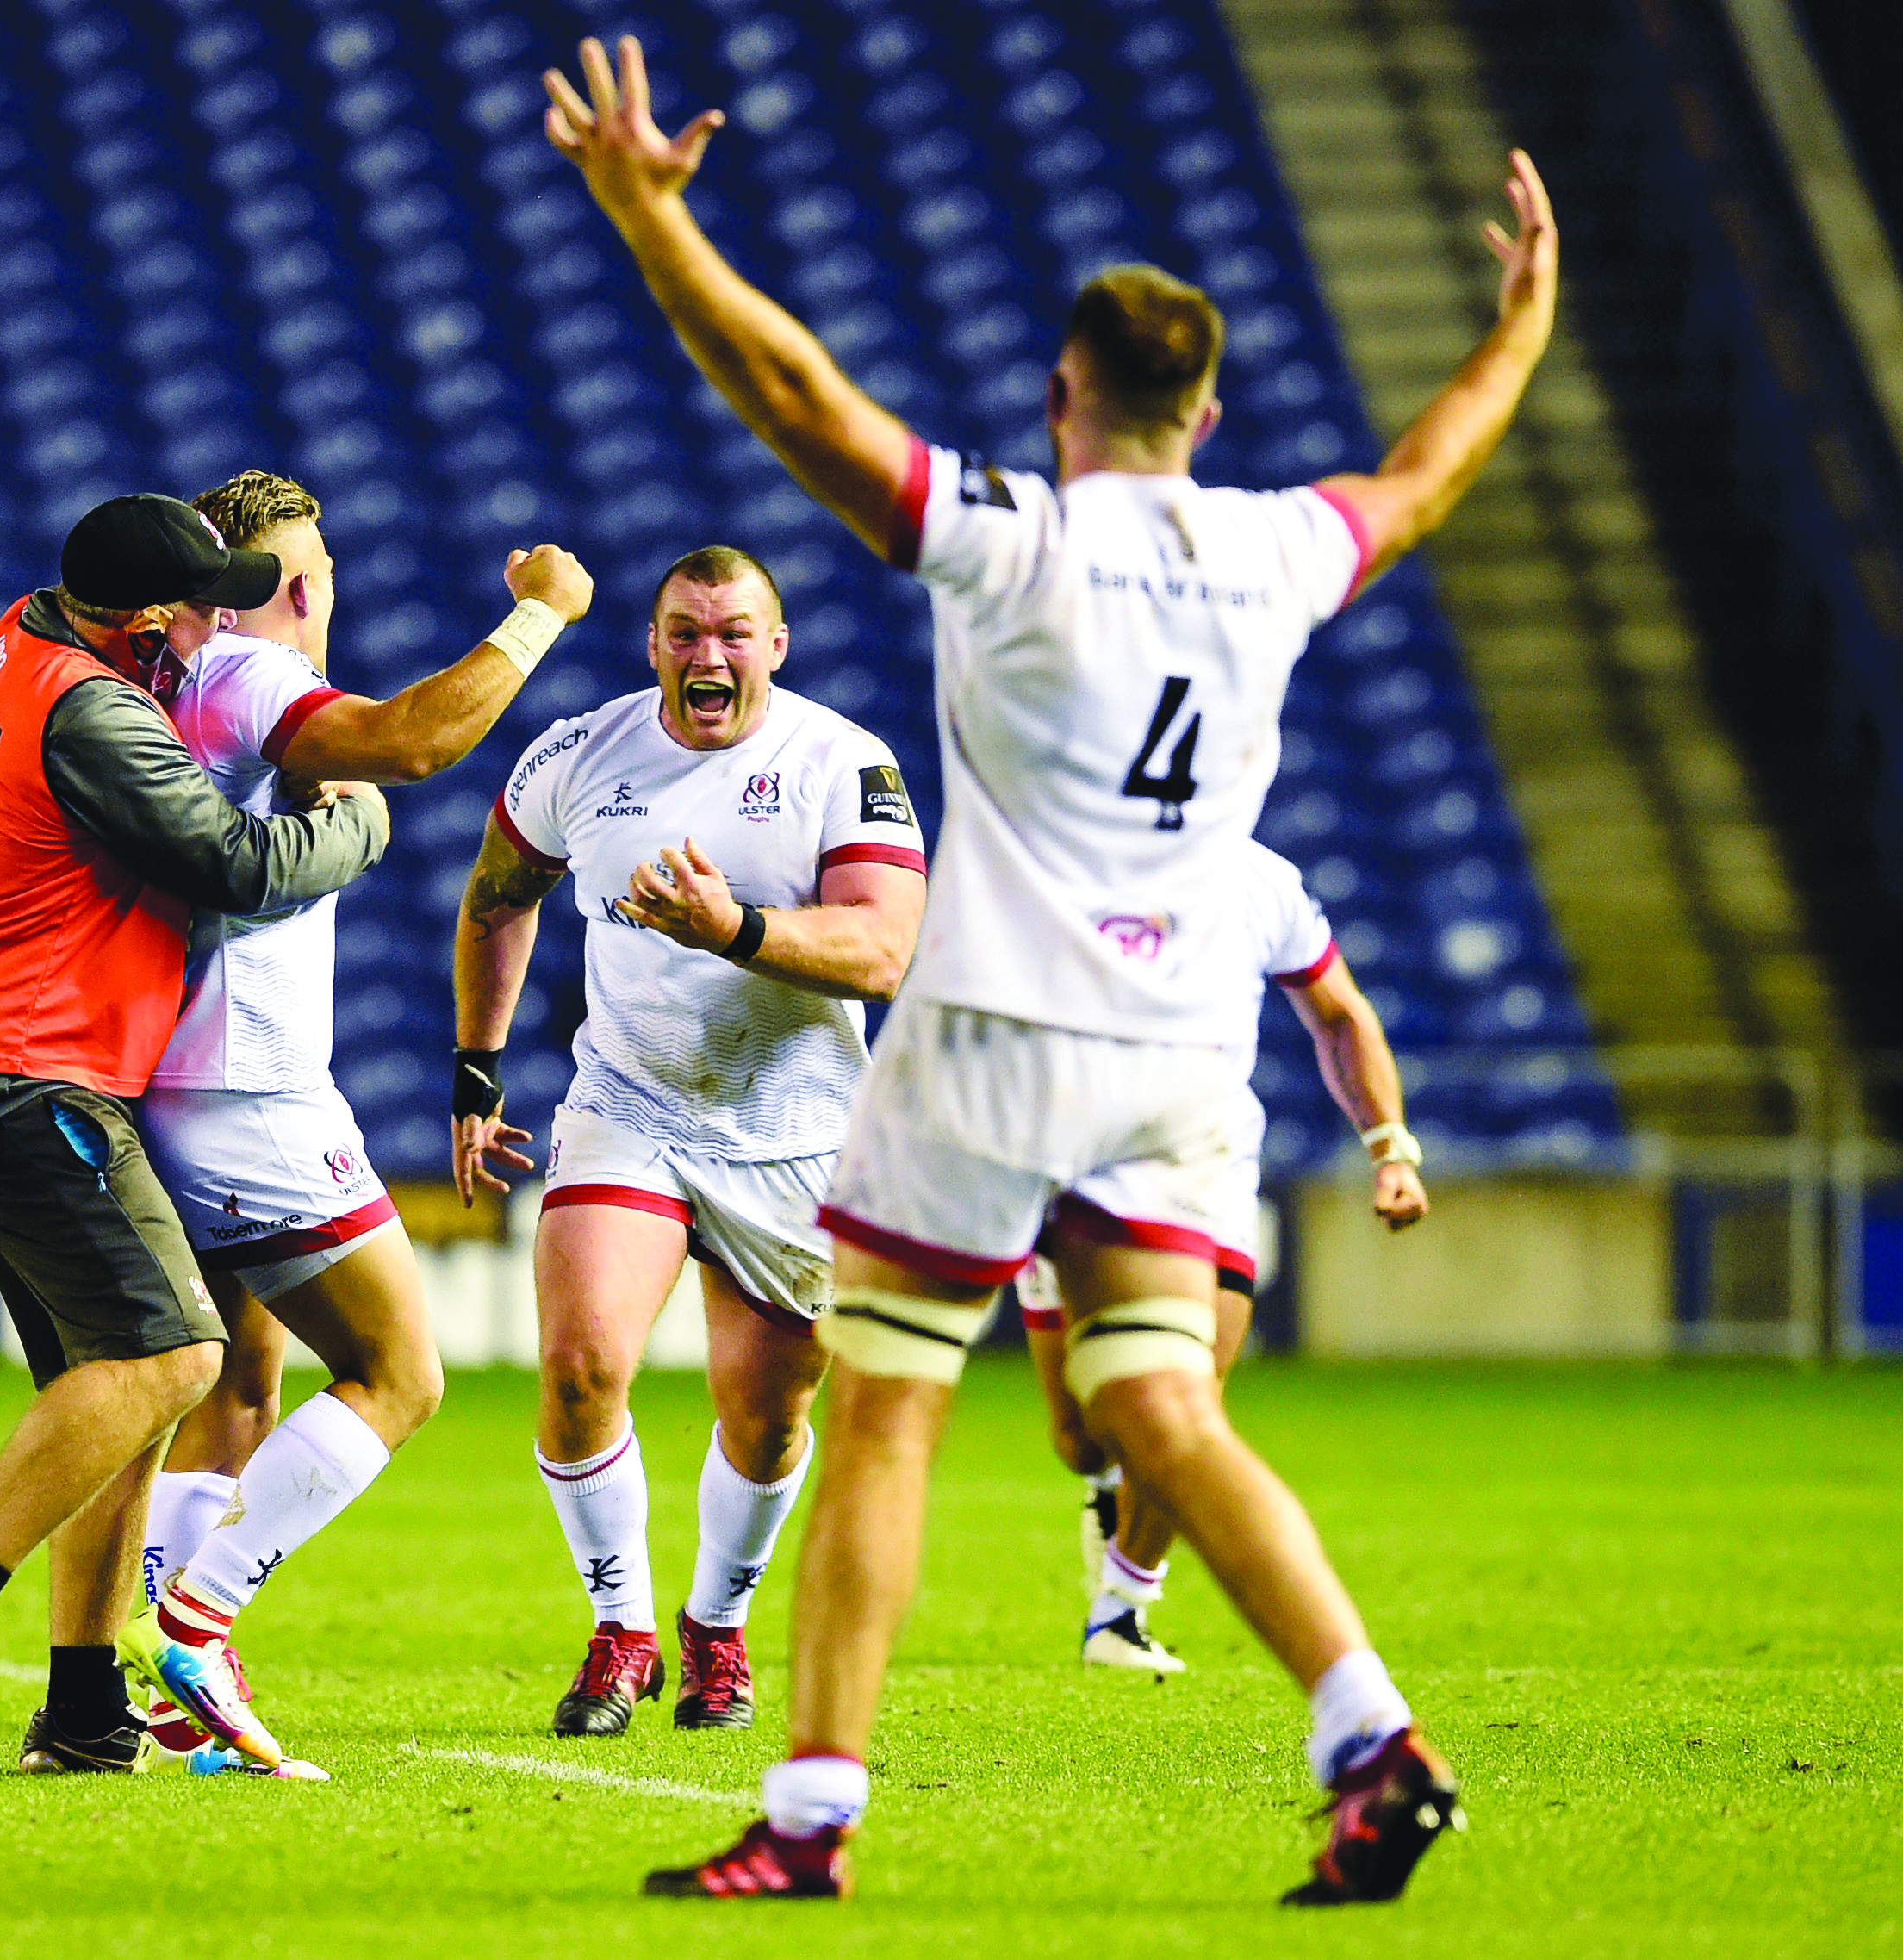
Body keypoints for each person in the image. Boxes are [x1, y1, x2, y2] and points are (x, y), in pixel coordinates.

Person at [540, 35, 1552, 1902]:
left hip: (999, 1036)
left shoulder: (1006, 538)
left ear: (1058, 390)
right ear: (1211, 407)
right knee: (1162, 1407)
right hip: (1180, 1053)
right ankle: (1370, 1735)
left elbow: (792, 391)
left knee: (884, 1402)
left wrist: (647, 221)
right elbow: (1419, 475)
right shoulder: (1271, 548)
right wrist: (1516, 324)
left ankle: (808, 1818)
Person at [0, 494, 389, 1778]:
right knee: (174, 1354)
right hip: (27, 1083)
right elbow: (237, 864)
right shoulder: (93, 707)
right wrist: (360, 820)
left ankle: (85, 1706)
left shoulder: (17, 640)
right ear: (143, 620)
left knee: (112, 1386)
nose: (219, 622)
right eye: (203, 605)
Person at [109, 469, 594, 1758]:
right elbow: (419, 741)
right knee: (398, 1371)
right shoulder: (250, 678)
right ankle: (197, 1622)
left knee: (236, 1382)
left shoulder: (167, 682)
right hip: (251, 1089)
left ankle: (169, 1697)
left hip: (167, 1076)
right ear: (300, 584)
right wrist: (540, 614)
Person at [451, 545, 926, 1736]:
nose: (706, 654)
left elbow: (880, 951)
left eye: (733, 631)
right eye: (682, 630)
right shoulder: (576, 753)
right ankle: (621, 1627)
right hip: (630, 1099)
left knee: (764, 1416)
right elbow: (497, 895)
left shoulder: (842, 762)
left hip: (792, 1126)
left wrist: (735, 926)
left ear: (776, 643)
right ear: (651, 641)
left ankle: (715, 1623)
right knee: (578, 1366)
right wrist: (476, 1065)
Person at [1018, 838, 1429, 1675]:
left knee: (1185, 1404)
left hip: (1207, 1171)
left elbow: (1340, 1012)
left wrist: (1389, 1147)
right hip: (1067, 1165)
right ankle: (1106, 1494)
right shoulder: (1060, 854)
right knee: (1082, 1440)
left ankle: (1120, 1613)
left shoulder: (1260, 879)